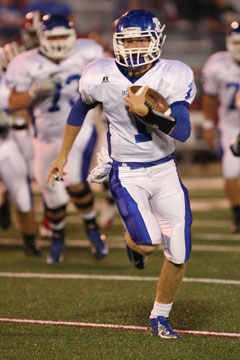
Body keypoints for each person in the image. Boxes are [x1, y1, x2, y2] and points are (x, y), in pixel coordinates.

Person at [46, 9, 196, 339]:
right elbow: (80, 107)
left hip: (165, 169)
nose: (134, 46)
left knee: (179, 251)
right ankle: (134, 243)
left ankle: (160, 316)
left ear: (157, 40)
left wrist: (149, 115)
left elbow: (182, 131)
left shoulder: (173, 74)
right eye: (128, 40)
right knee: (147, 244)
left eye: (141, 39)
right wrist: (62, 154)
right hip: (126, 171)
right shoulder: (97, 73)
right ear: (116, 42)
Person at [7, 14, 108, 263]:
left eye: (64, 36)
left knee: (73, 181)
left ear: (74, 36)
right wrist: (33, 92)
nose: (60, 42)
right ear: (42, 39)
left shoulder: (89, 52)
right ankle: (59, 239)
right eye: (54, 37)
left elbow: (113, 78)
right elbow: (13, 102)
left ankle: (94, 234)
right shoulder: (24, 63)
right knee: (54, 195)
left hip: (80, 131)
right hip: (43, 136)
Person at [0, 50, 40, 256]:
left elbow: (23, 114)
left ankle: (29, 241)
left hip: (7, 145)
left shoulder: (8, 85)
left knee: (24, 199)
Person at [201, 21, 240, 233]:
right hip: (232, 127)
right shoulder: (217, 64)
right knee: (231, 170)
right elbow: (209, 96)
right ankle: (238, 216)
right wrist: (208, 124)